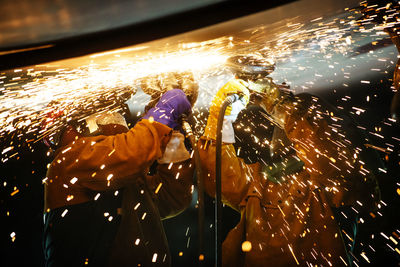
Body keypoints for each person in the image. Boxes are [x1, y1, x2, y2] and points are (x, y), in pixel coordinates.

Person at [198, 55, 380, 266]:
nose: (285, 130)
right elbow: (221, 175)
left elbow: (219, 177)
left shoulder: (336, 187)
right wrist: (225, 116)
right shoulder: (268, 184)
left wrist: (276, 104)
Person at [42, 89, 194, 267]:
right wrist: (162, 114)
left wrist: (171, 135)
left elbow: (172, 197)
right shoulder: (69, 161)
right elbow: (130, 153)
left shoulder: (119, 176)